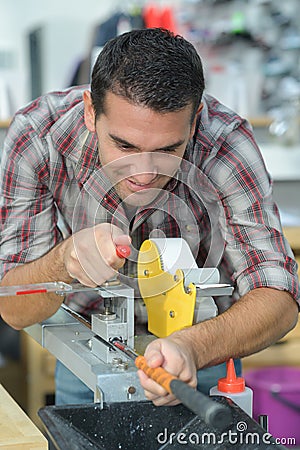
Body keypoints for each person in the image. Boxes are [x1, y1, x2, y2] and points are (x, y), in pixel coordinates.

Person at [0, 28, 299, 408]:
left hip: (203, 352)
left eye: (167, 149)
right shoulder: (38, 136)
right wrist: (63, 262)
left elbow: (280, 295)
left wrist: (193, 346)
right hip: (89, 356)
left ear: (193, 123)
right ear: (91, 112)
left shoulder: (224, 140)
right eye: (124, 145)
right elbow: (13, 308)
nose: (142, 174)